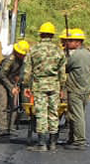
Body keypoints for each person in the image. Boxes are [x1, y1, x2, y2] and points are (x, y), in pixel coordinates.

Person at [23, 22, 66, 152]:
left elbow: (27, 71)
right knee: (53, 113)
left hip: (39, 85)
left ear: (40, 34)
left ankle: (42, 144)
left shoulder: (33, 50)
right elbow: (62, 73)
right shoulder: (59, 51)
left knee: (41, 113)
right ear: (52, 35)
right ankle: (53, 143)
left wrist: (26, 85)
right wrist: (62, 87)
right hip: (54, 85)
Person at [62, 28, 90, 150]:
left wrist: (65, 54)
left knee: (77, 116)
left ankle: (79, 141)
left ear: (78, 42)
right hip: (84, 89)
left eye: (71, 41)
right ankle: (72, 138)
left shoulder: (77, 55)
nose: (68, 43)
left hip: (75, 89)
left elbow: (65, 66)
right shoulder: (88, 53)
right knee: (73, 115)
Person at [0, 40, 29, 137]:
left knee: (14, 104)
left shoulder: (22, 61)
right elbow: (2, 76)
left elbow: (20, 75)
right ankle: (3, 129)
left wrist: (17, 85)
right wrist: (11, 87)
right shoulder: (10, 60)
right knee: (3, 104)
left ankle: (11, 128)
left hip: (11, 80)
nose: (23, 56)